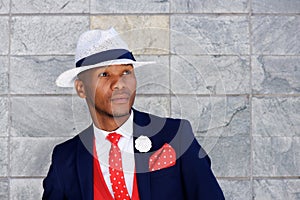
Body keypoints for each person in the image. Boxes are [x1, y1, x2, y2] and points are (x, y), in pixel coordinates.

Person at [42, 28, 225, 200]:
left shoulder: (175, 135)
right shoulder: (65, 158)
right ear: (81, 88)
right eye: (105, 75)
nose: (120, 84)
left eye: (126, 72)